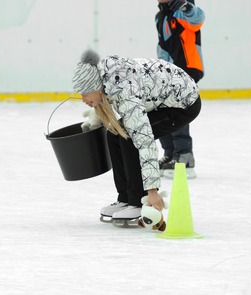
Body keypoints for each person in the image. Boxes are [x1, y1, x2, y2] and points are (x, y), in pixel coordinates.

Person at [72, 49, 201, 221]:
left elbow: (145, 142)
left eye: (85, 94)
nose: (83, 99)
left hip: (184, 103)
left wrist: (152, 192)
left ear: (95, 87)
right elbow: (105, 100)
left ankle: (137, 202)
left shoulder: (125, 92)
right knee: (114, 134)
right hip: (161, 98)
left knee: (130, 137)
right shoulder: (105, 78)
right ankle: (125, 198)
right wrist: (95, 119)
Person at [155, 0, 205, 178]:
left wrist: (186, 6)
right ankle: (170, 154)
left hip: (188, 68)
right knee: (163, 110)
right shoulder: (160, 16)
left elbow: (198, 19)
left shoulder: (184, 10)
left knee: (177, 111)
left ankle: (185, 157)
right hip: (169, 72)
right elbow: (162, 46)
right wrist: (160, 70)